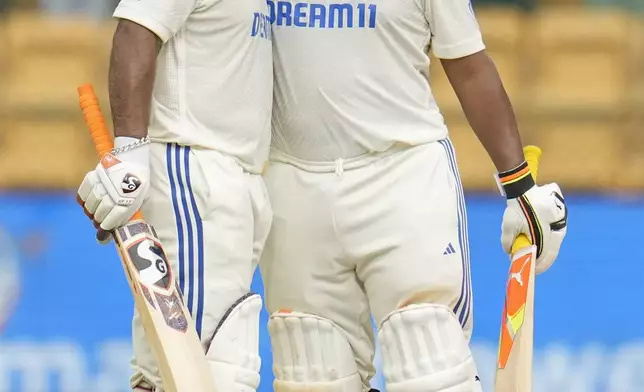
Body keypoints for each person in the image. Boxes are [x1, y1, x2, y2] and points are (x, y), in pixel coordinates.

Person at [261, 1, 568, 392]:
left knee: (428, 364)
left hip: (403, 178)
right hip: (294, 185)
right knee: (311, 372)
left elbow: (469, 66)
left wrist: (519, 186)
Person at [76, 0, 273, 390]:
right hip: (194, 175)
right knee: (204, 373)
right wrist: (129, 150)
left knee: (173, 370)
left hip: (233, 176)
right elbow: (137, 29)